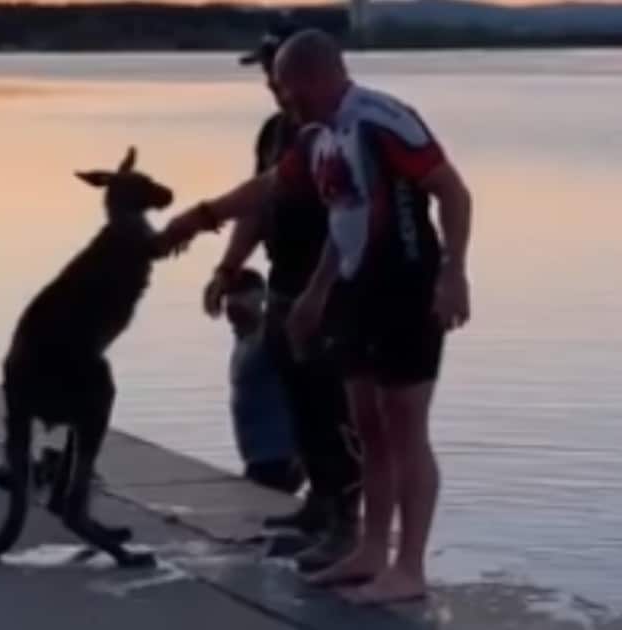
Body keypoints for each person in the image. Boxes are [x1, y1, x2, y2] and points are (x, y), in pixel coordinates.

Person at [159, 29, 473, 606]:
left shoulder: (383, 120)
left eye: (292, 88)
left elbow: (452, 190)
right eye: (280, 89)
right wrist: (201, 221)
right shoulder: (318, 137)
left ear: (322, 77)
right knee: (369, 429)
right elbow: (288, 196)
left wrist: (453, 273)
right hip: (355, 291)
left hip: (407, 287)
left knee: (406, 429)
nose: (286, 99)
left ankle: (409, 567)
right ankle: (370, 549)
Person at [207, 20, 365, 574]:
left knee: (332, 405)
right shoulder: (277, 130)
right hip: (284, 278)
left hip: (333, 287)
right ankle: (317, 505)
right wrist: (229, 265)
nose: (272, 84)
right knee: (296, 399)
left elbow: (351, 218)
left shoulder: (342, 128)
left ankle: (347, 524)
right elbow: (258, 203)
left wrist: (322, 292)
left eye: (277, 71)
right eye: (269, 74)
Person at [222, 268, 305, 494]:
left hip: (279, 458)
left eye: (240, 295)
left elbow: (304, 389)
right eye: (229, 295)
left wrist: (303, 455)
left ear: (259, 298)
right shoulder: (241, 337)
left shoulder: (272, 335)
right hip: (256, 458)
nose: (232, 302)